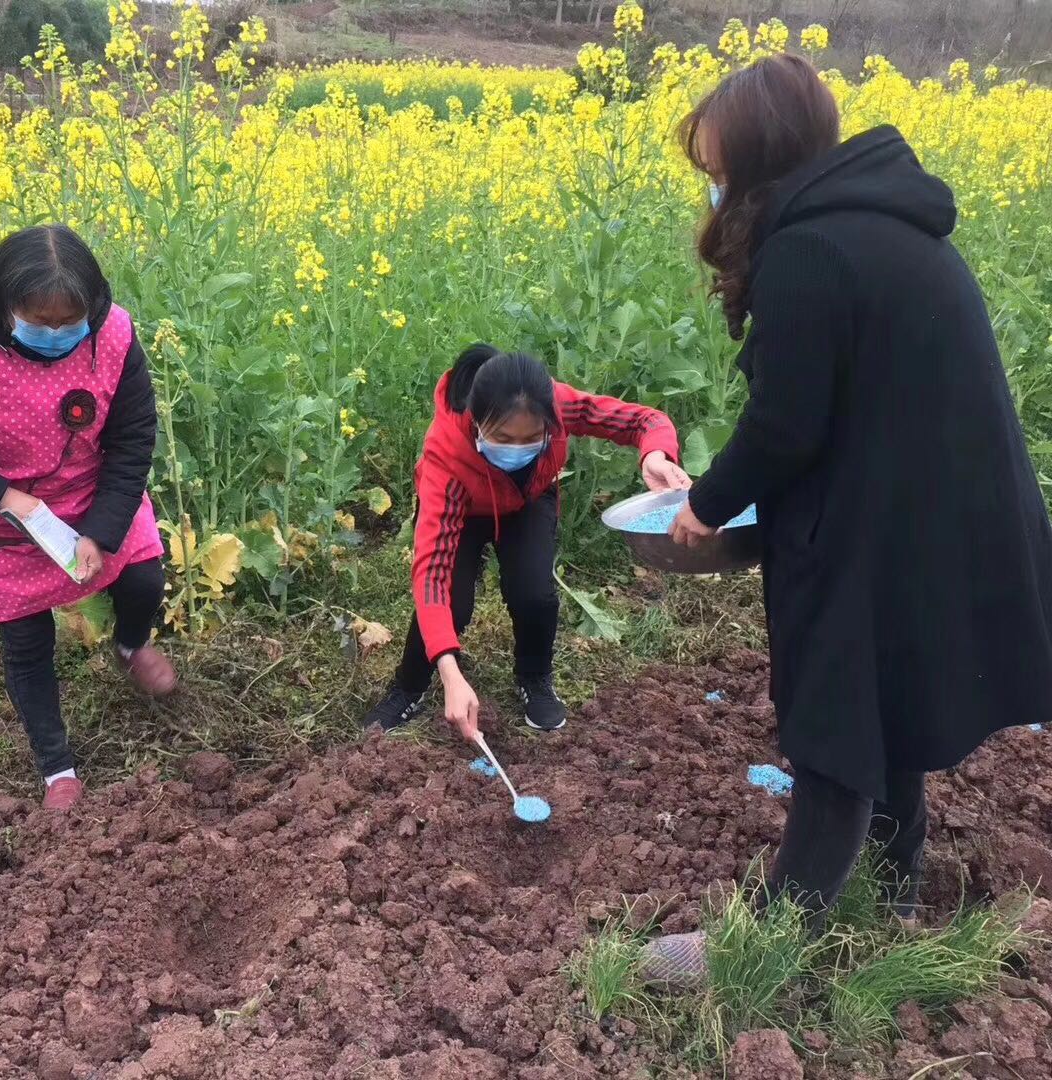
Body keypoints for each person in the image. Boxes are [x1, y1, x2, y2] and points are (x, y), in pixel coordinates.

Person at [643, 55, 1052, 985]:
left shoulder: (809, 249)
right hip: (936, 511)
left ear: (754, 158)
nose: (712, 187)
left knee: (834, 707)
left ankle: (778, 940)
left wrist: (704, 503)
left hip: (886, 517)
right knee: (889, 690)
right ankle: (892, 883)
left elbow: (786, 425)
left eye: (715, 166)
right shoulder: (880, 222)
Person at [0, 224, 177, 811]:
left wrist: (102, 527)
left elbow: (133, 435)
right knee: (26, 638)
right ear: (3, 303)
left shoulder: (114, 332)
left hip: (91, 489)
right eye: (38, 323)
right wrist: (5, 498)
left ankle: (129, 645)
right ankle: (56, 767)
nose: (55, 336)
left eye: (70, 323)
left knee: (144, 577)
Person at [362, 344, 689, 737]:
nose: (518, 448)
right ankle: (408, 686)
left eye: (533, 437)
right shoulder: (445, 460)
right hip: (462, 510)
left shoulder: (558, 405)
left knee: (533, 594)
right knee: (452, 602)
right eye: (503, 437)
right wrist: (450, 673)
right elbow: (430, 575)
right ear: (476, 422)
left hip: (528, 501)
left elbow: (644, 420)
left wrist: (655, 455)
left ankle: (534, 678)